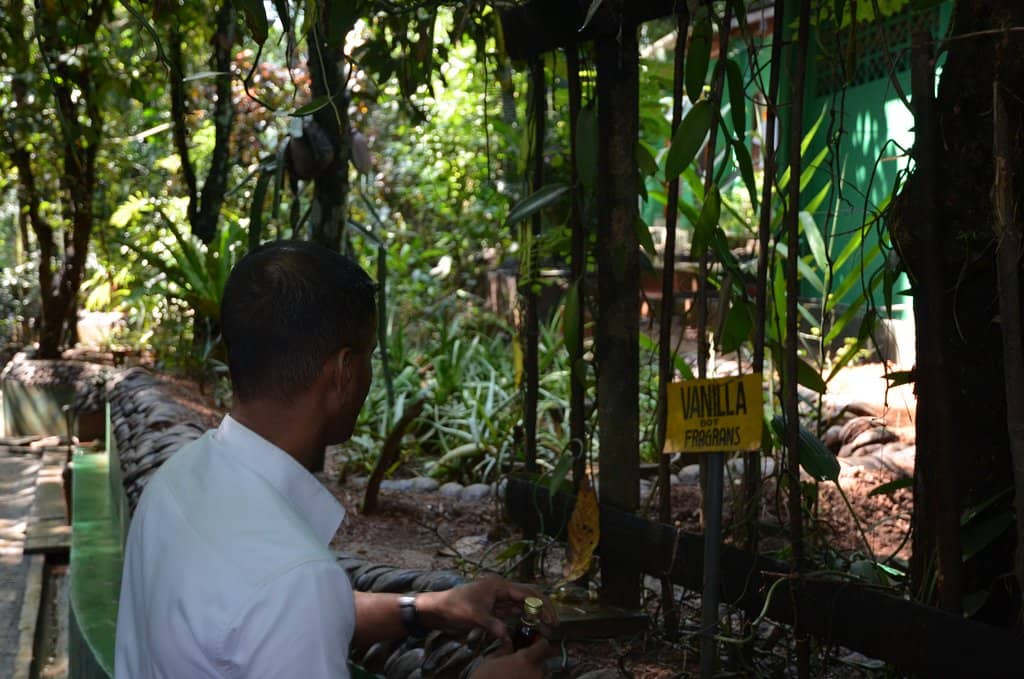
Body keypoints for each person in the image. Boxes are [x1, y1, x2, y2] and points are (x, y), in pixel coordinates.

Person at [115, 240, 554, 678]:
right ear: (343, 372)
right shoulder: (293, 579)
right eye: (368, 359)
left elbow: (274, 624)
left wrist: (427, 608)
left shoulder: (174, 482)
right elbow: (286, 607)